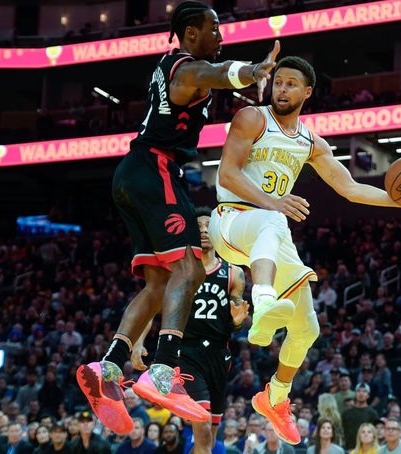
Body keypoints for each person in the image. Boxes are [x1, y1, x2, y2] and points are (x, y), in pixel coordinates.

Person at [76, 0, 280, 434]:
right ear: (191, 33)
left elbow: (210, 78)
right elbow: (212, 73)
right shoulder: (187, 67)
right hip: (157, 169)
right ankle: (164, 370)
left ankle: (107, 369)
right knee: (188, 267)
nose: (220, 37)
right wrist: (250, 71)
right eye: (214, 29)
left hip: (132, 174)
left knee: (159, 282)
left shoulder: (173, 65)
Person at [209, 56, 401, 444]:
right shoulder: (252, 117)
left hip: (270, 232)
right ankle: (262, 300)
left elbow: (349, 187)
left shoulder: (311, 142)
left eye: (291, 84)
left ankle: (275, 397)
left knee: (307, 328)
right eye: (278, 82)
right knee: (272, 218)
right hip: (231, 221)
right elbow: (227, 172)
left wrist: (400, 202)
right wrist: (273, 200)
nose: (282, 89)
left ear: (307, 92)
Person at [133, 207, 248, 454]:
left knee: (210, 435)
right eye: (199, 228)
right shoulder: (178, 272)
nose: (205, 231)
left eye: (209, 227)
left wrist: (238, 321)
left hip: (219, 354)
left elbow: (237, 319)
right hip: (185, 352)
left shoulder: (234, 273)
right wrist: (138, 342)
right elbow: (151, 307)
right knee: (202, 422)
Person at [341, 383, 379, 450]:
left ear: (368, 395)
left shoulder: (373, 414)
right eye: (358, 391)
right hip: (348, 449)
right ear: (355, 394)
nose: (361, 393)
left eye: (364, 391)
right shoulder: (346, 413)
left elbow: (375, 433)